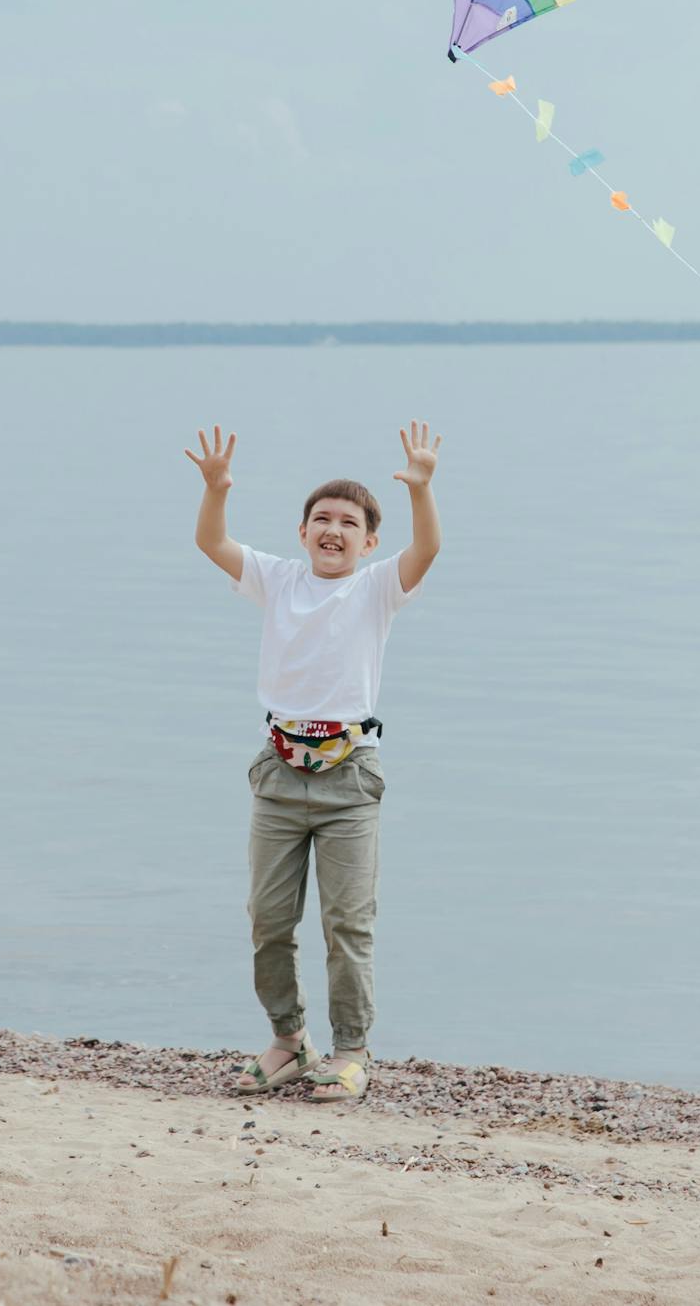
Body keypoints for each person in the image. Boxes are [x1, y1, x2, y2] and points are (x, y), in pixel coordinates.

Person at [186, 420, 441, 1105]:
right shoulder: (278, 579)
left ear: (369, 541)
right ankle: (289, 1040)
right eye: (321, 518)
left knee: (347, 922)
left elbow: (430, 549)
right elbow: (212, 541)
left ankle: (351, 1050)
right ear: (302, 533)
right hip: (277, 771)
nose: (334, 529)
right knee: (269, 917)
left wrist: (421, 489)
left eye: (349, 522)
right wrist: (217, 489)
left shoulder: (377, 588)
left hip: (351, 776)